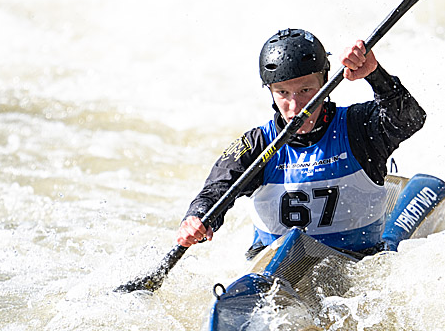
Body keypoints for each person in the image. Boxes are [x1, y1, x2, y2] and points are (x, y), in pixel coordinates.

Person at [177, 28, 426, 257]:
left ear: (325, 86)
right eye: (283, 93)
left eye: (306, 91)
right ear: (271, 92)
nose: (295, 107)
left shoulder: (357, 128)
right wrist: (197, 218)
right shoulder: (257, 144)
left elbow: (410, 119)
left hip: (356, 260)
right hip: (276, 264)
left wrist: (375, 74)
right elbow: (214, 191)